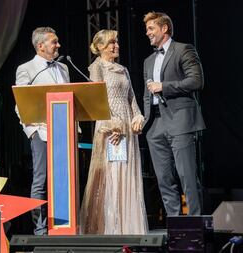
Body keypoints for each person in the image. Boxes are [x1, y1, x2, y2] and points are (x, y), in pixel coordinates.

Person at [79, 29, 148, 234]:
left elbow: (132, 99)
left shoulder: (123, 69)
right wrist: (112, 126)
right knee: (112, 176)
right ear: (100, 47)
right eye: (111, 43)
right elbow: (98, 100)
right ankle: (112, 228)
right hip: (109, 127)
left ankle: (128, 227)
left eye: (116, 42)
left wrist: (137, 117)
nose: (116, 46)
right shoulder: (97, 67)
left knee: (127, 174)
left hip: (126, 126)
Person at [142, 12, 206, 216]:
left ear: (164, 28)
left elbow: (196, 81)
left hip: (180, 121)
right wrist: (144, 121)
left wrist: (164, 86)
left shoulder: (183, 50)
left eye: (151, 28)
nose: (147, 33)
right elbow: (146, 94)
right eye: (147, 29)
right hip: (155, 125)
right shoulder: (148, 61)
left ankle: (195, 227)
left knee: (187, 176)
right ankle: (175, 227)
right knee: (164, 180)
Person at [15, 27, 69, 235]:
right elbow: (21, 102)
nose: (58, 45)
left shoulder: (63, 68)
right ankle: (40, 228)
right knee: (41, 180)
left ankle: (64, 225)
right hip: (42, 132)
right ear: (40, 46)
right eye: (54, 42)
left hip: (64, 131)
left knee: (64, 179)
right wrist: (32, 131)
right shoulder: (27, 68)